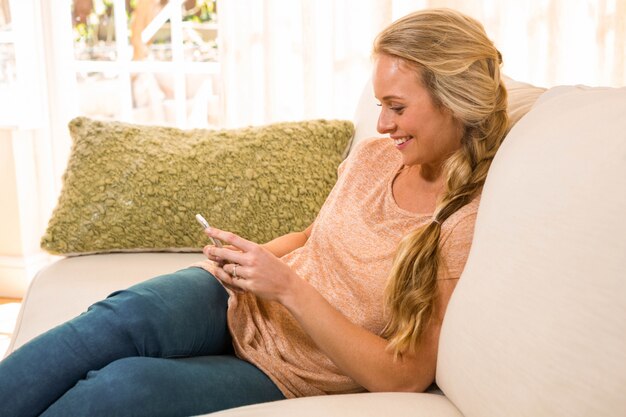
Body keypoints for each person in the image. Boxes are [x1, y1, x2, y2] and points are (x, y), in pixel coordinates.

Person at [0, 8, 508, 417]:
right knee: (120, 317)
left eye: (396, 107)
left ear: (454, 101)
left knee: (121, 389)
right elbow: (319, 234)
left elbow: (405, 375)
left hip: (288, 371)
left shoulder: (462, 221)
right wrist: (251, 260)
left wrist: (286, 286)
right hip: (241, 300)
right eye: (379, 105)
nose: (380, 124)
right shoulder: (379, 157)